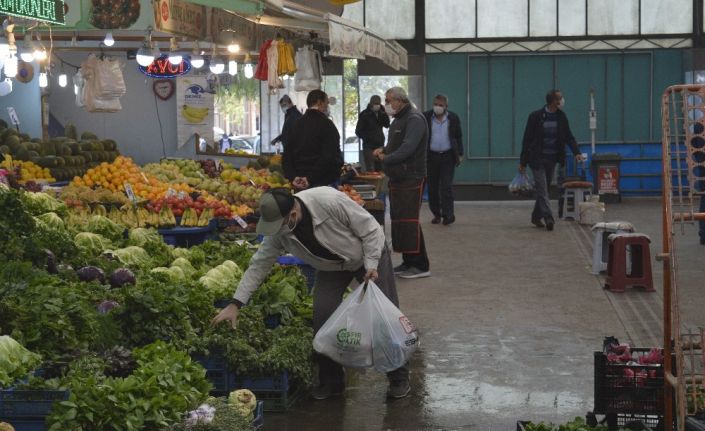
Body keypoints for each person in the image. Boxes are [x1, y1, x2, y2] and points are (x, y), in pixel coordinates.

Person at [211, 187, 411, 400]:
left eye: (279, 224)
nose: (277, 230)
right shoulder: (279, 231)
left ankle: (398, 375)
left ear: (293, 214)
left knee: (383, 317)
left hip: (368, 255)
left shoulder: (328, 200)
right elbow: (259, 264)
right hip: (331, 267)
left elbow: (371, 229)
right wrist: (235, 304)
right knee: (323, 318)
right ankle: (331, 381)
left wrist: (371, 264)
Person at [373, 87, 430, 279]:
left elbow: (408, 148)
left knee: (409, 219)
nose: (387, 105)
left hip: (411, 177)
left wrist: (386, 158)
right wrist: (383, 149)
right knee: (400, 220)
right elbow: (396, 145)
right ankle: (408, 261)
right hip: (399, 177)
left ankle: (420, 265)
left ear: (400, 100)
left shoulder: (414, 119)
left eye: (389, 100)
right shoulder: (399, 119)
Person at [519, 89, 583, 231]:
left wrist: (576, 152)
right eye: (560, 98)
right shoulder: (536, 117)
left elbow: (568, 136)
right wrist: (522, 162)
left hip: (552, 158)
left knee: (544, 189)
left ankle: (536, 217)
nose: (562, 100)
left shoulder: (561, 117)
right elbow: (527, 139)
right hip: (537, 158)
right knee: (542, 188)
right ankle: (548, 218)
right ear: (553, 101)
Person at [283, 90, 343, 191]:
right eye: (327, 103)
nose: (327, 107)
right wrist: (310, 178)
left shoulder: (296, 125)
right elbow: (329, 156)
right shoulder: (327, 125)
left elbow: (287, 154)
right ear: (320, 103)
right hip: (322, 183)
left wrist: (293, 177)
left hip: (299, 183)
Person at [423, 94, 464, 225]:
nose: (437, 107)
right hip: (431, 157)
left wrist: (460, 154)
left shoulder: (453, 118)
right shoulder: (426, 117)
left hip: (448, 156)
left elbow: (458, 136)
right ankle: (436, 214)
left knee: (446, 187)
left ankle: (448, 215)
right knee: (433, 188)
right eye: (435, 104)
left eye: (441, 105)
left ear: (446, 106)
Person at [355, 95, 390, 172]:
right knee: (371, 169)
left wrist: (384, 113)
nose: (377, 105)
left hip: (380, 145)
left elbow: (387, 125)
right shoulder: (364, 114)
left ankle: (379, 184)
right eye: (375, 103)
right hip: (368, 146)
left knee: (381, 169)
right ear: (371, 103)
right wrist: (368, 138)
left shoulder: (381, 113)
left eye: (378, 103)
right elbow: (358, 131)